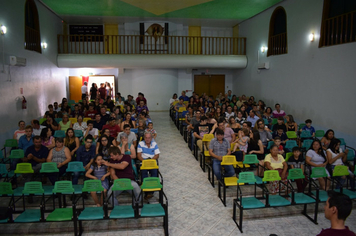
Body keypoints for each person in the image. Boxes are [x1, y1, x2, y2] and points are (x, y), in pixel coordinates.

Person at [137, 132, 160, 199]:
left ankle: (151, 191)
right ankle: (147, 191)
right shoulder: (140, 144)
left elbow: (157, 155)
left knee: (154, 173)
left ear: (151, 138)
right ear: (144, 138)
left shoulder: (154, 144)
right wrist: (145, 161)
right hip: (143, 161)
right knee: (144, 174)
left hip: (152, 161)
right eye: (146, 138)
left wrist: (151, 161)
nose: (147, 139)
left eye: (149, 138)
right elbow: (139, 155)